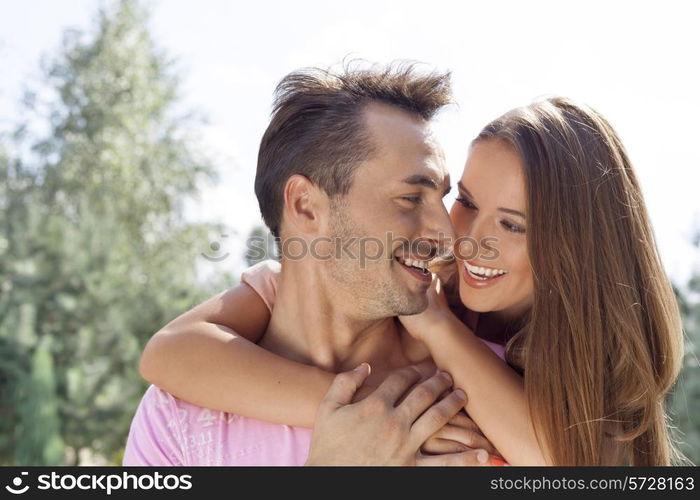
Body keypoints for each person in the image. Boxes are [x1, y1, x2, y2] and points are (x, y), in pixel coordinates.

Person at [139, 96, 685, 465]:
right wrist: (371, 414)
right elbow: (168, 352)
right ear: (305, 206)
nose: (456, 237)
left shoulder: (503, 405)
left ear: (573, 258)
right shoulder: (183, 413)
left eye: (514, 225)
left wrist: (436, 328)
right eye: (463, 202)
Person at [123, 62, 501, 466]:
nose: (446, 235)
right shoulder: (179, 418)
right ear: (305, 207)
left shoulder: (488, 398)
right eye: (411, 198)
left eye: (443, 198)